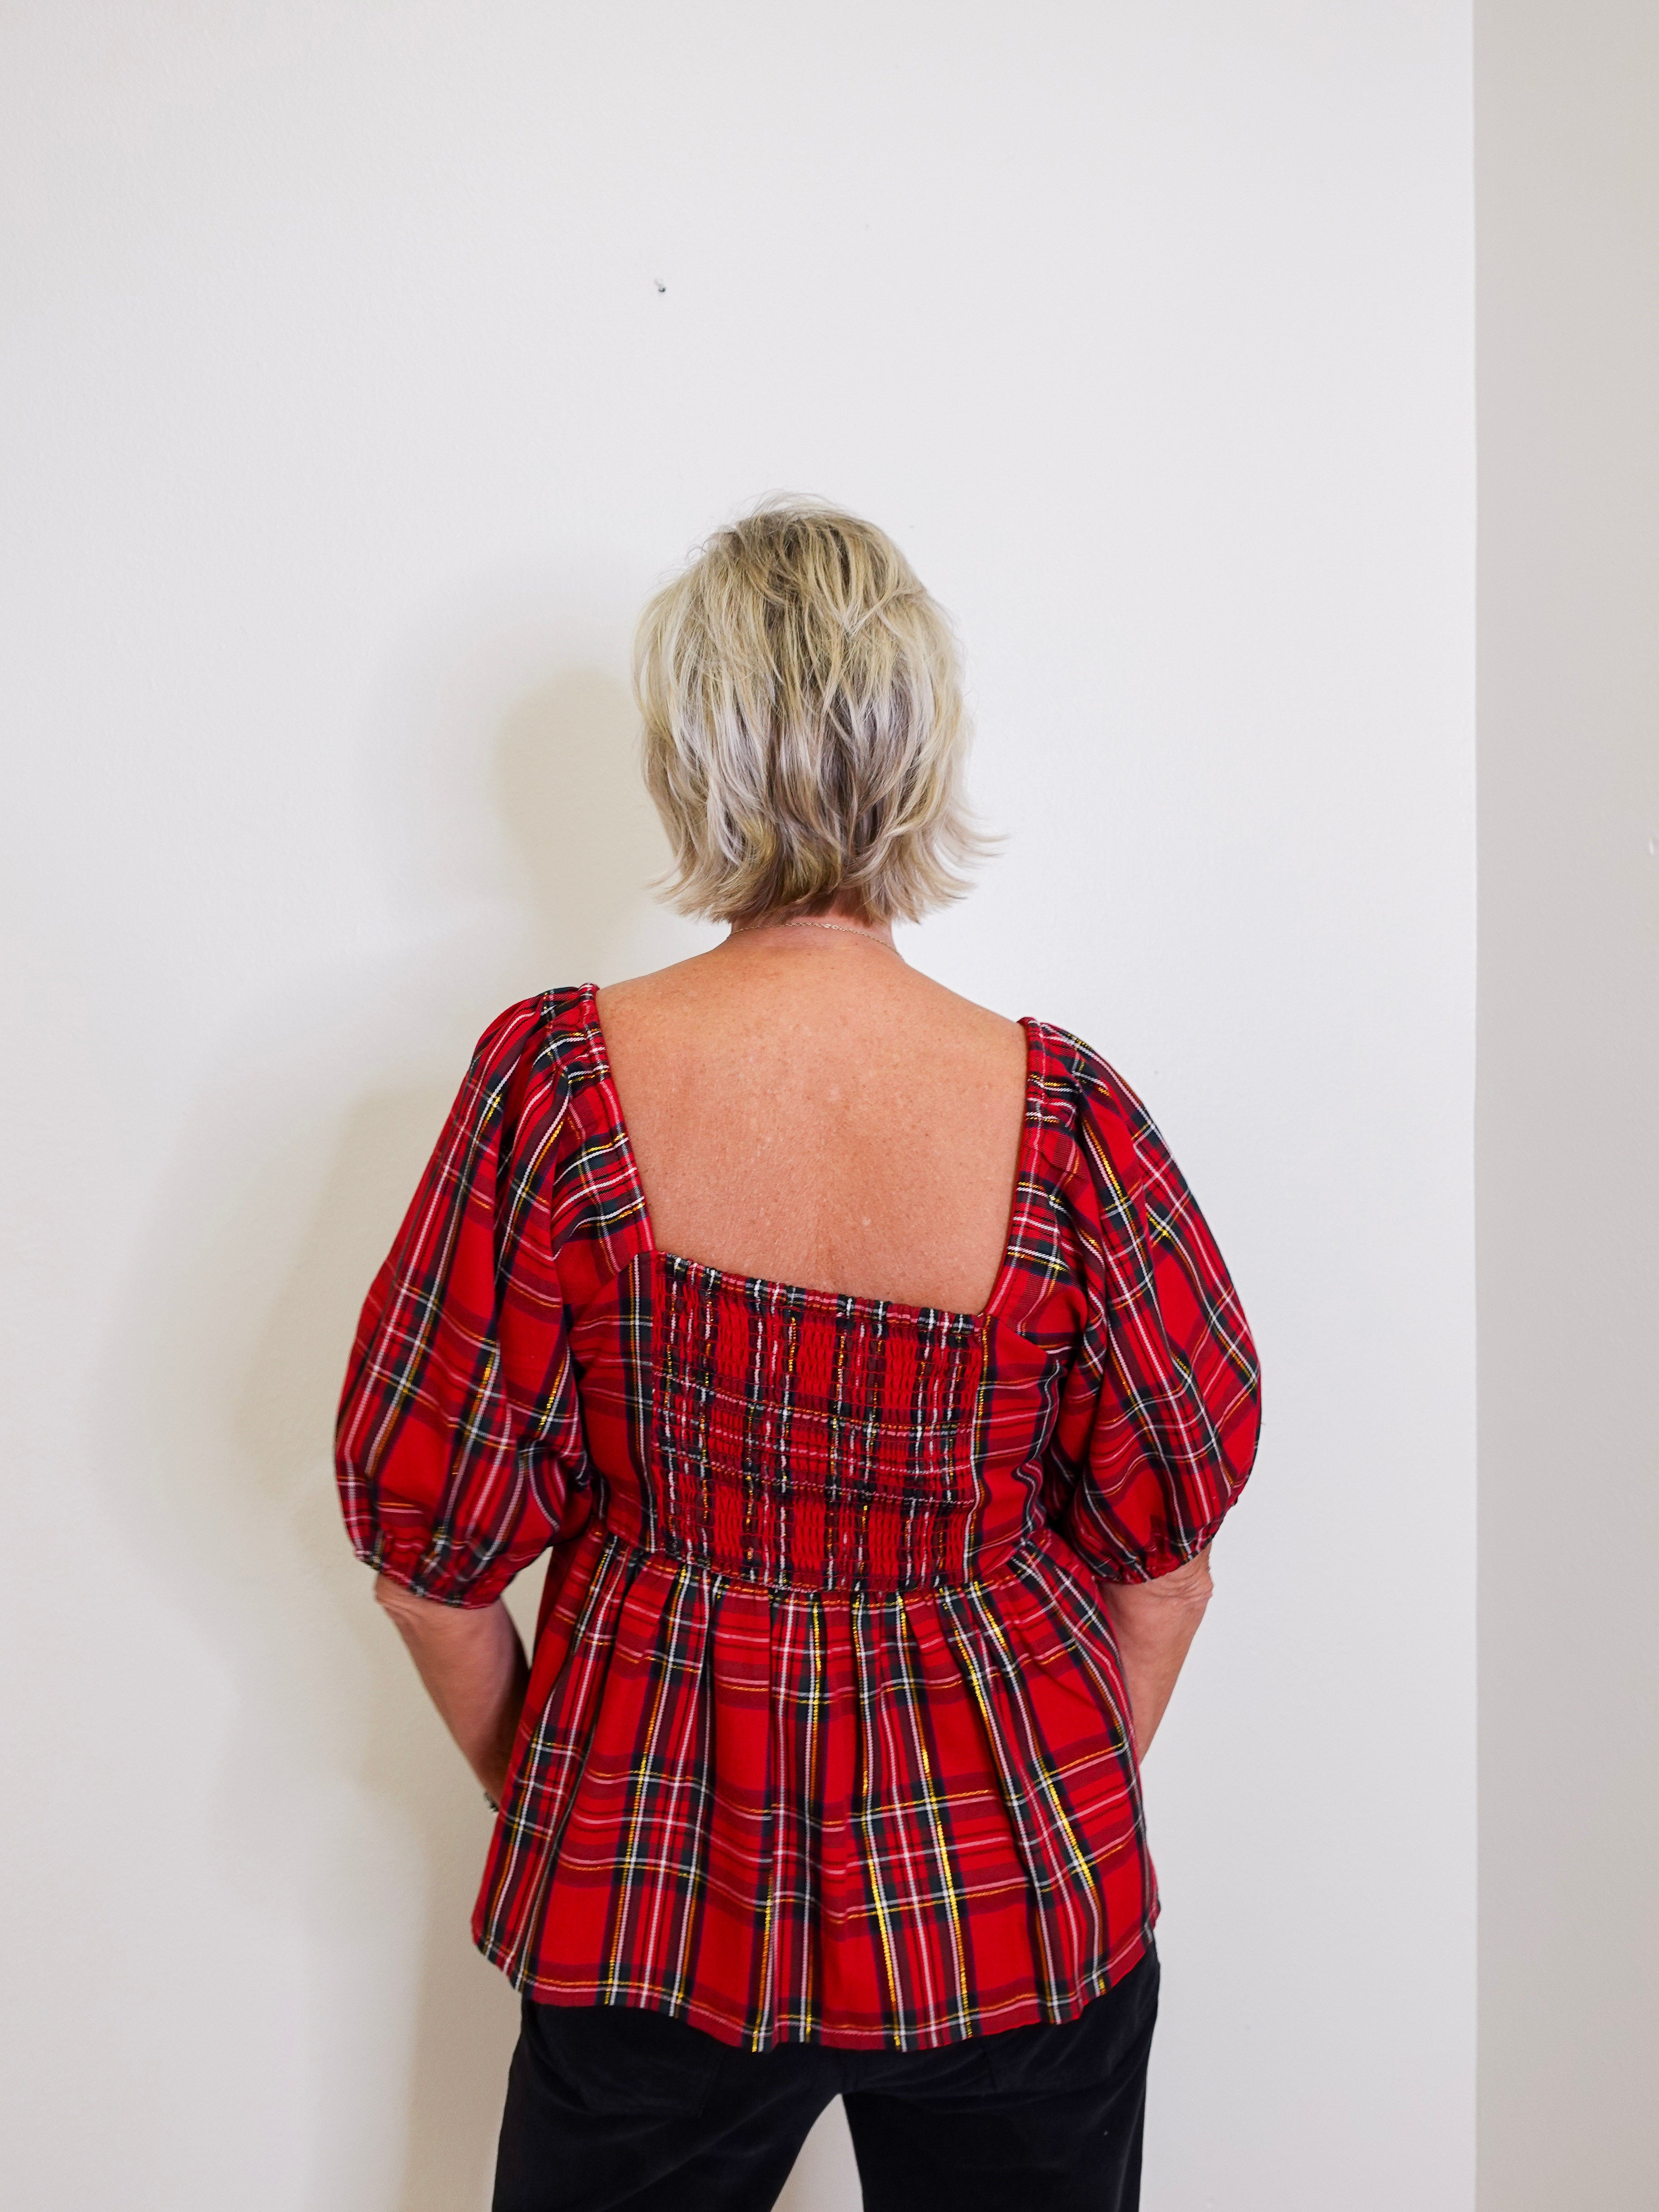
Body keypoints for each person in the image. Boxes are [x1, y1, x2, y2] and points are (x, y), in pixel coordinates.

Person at [335, 499, 1261, 2212]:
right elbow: (1169, 1569)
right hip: (1018, 1892)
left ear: (692, 758)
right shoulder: (1069, 1126)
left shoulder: (555, 1096)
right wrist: (1027, 1802)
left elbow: (425, 1557)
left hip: (646, 1886)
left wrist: (554, 1784)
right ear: (921, 749)